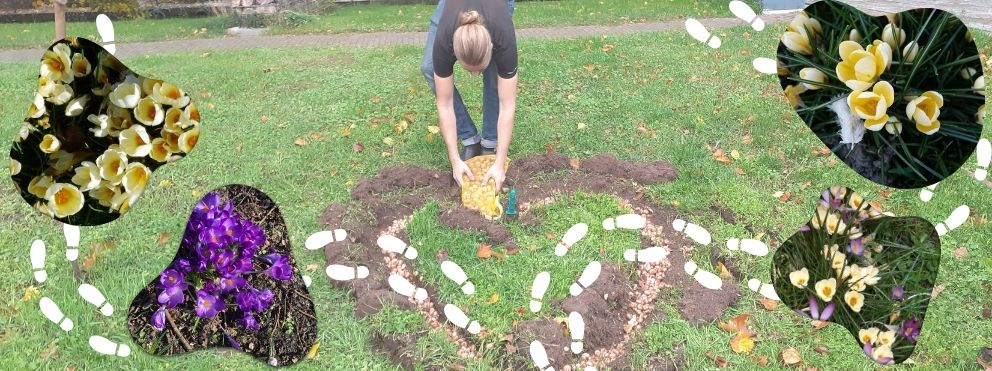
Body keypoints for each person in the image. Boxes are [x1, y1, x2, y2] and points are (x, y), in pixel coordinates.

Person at [420, 0, 517, 192]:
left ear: (492, 47)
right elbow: (444, 104)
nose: (474, 74)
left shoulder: (502, 37)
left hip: (496, 5)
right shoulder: (444, 40)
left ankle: (490, 142)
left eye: (478, 68)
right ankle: (470, 139)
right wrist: (455, 160)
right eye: (469, 70)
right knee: (430, 68)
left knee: (494, 78)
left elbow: (508, 105)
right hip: (452, 7)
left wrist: (499, 163)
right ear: (453, 50)